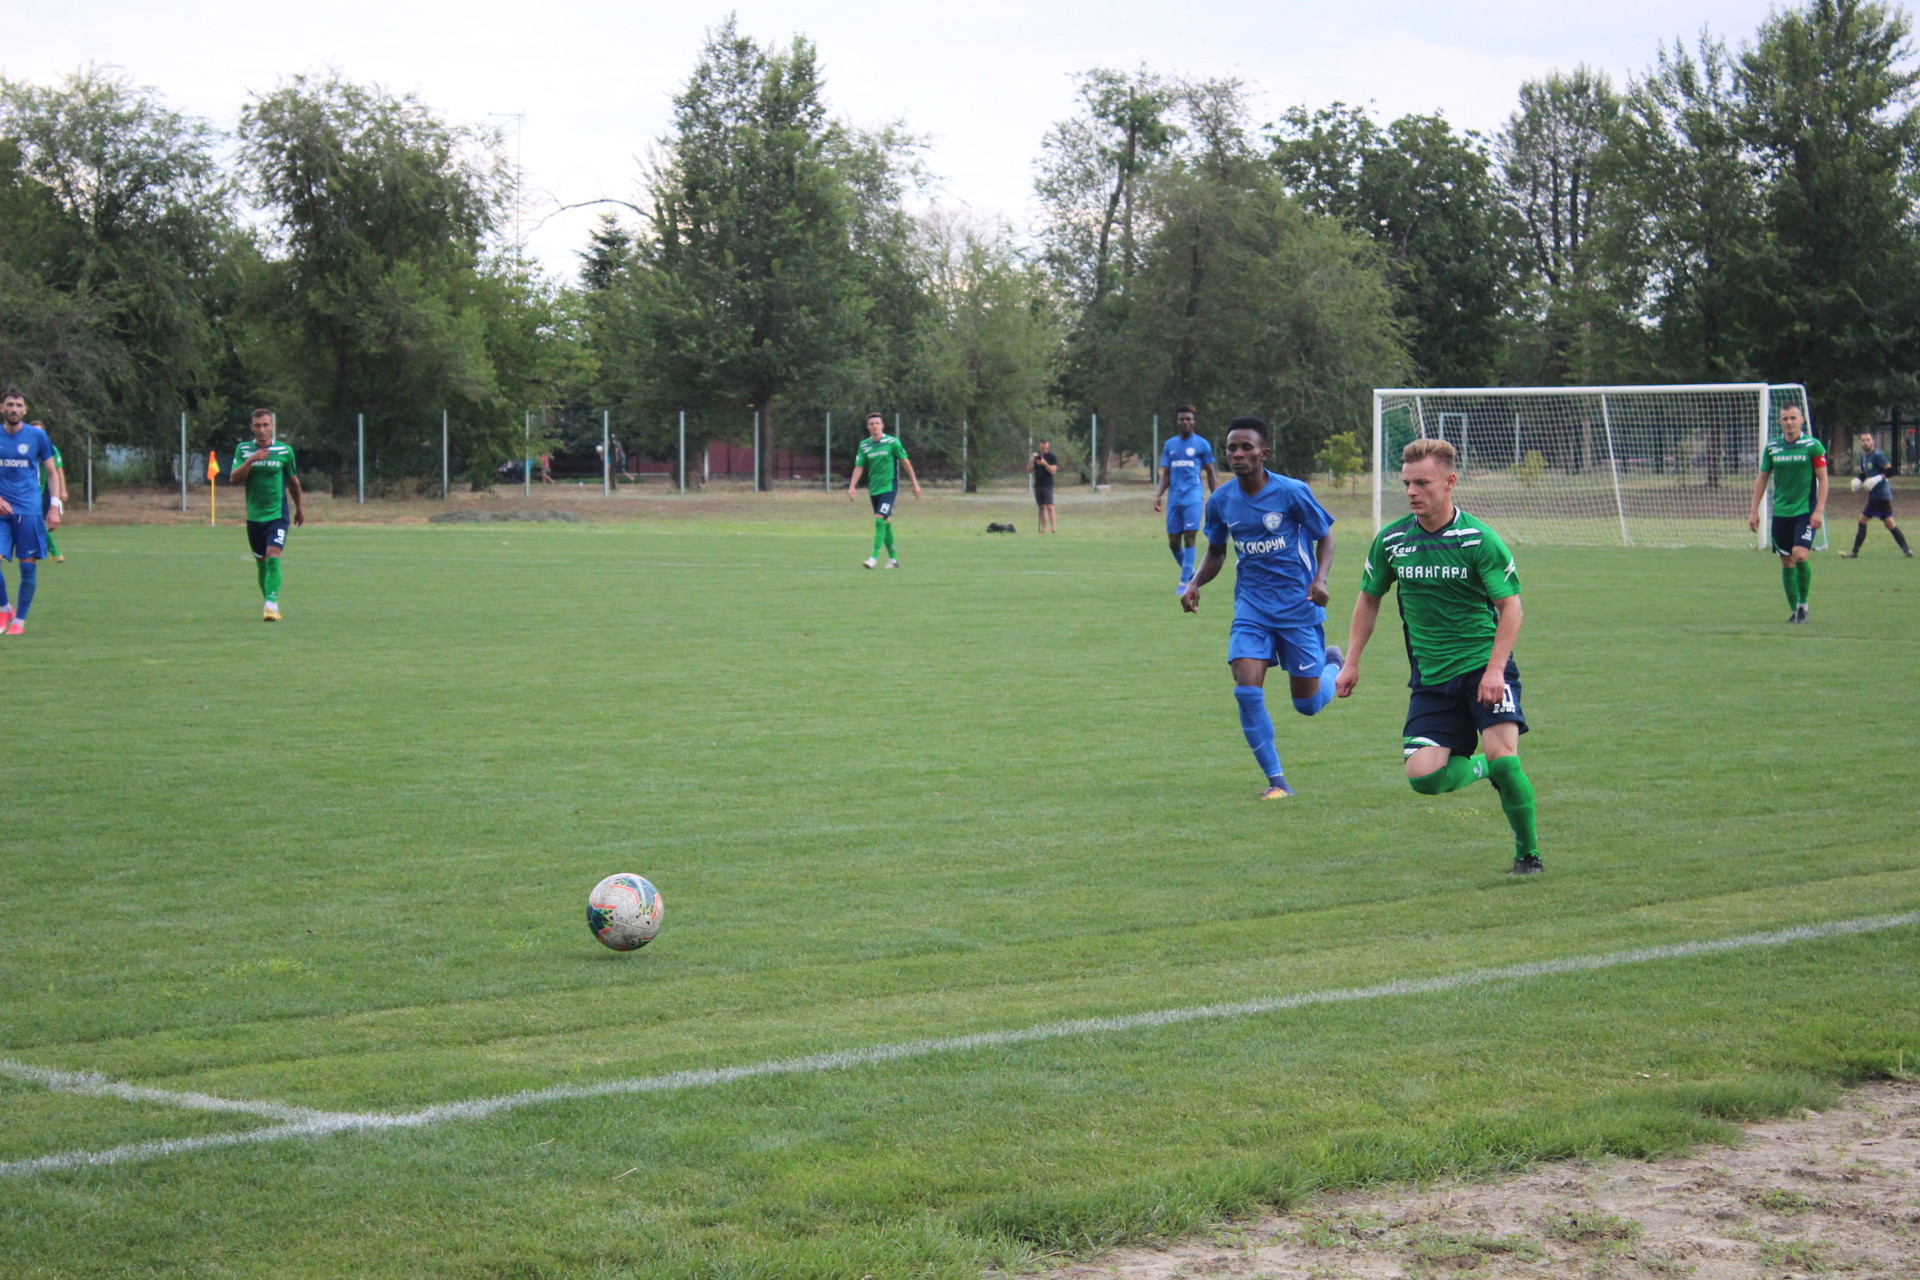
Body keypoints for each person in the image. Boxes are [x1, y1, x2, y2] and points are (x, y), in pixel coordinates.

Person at [1334, 437, 1540, 874]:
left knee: (1507, 755)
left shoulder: (1478, 540)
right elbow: (1369, 599)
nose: (1411, 492)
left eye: (1422, 483)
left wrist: (1496, 670)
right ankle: (1488, 766)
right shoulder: (1392, 541)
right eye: (1407, 483)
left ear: (1449, 482)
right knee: (1425, 777)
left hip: (1484, 669)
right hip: (1430, 679)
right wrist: (1352, 660)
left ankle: (1528, 854)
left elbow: (1511, 607)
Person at [1180, 416, 1341, 800]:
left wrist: (1320, 580)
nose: (1237, 454)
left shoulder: (1292, 492)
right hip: (1252, 607)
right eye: (1232, 448)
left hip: (1298, 608)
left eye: (1246, 447)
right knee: (1246, 689)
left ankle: (1333, 668)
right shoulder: (1220, 501)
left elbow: (1326, 537)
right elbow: (1217, 552)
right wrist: (1194, 582)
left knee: (1307, 705)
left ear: (1263, 453)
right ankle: (1277, 781)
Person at [1747, 404, 1827, 623]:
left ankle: (1803, 606)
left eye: (1793, 418)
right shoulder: (1773, 447)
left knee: (1800, 555)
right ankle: (1794, 612)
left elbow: (1823, 479)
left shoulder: (1813, 446)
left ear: (1801, 420)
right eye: (1785, 419)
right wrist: (1754, 510)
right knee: (1786, 561)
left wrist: (1819, 510)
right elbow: (1762, 477)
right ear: (1780, 422)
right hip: (1781, 512)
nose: (1789, 422)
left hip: (1805, 511)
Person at [229, 408, 305, 621]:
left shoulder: (284, 451)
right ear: (251, 427)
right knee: (261, 562)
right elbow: (234, 478)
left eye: (265, 425)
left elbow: (293, 481)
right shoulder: (243, 450)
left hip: (277, 515)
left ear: (272, 426)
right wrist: (251, 460)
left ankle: (270, 604)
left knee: (273, 557)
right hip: (254, 516)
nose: (262, 430)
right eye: (257, 426)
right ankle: (270, 604)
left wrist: (299, 508)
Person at [0, 388, 60, 635]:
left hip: (30, 510)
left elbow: (52, 472)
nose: (14, 409)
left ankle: (19, 622)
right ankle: (4, 608)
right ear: (2, 408)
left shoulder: (37, 436)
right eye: (10, 404)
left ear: (25, 410)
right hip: (2, 512)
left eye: (19, 405)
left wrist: (54, 506)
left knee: (27, 566)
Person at [1154, 405, 1218, 592]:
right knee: (1173, 542)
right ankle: (1191, 573)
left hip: (1193, 497)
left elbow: (1210, 472)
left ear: (1194, 422)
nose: (1185, 422)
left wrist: (1216, 496)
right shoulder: (1170, 445)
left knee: (1189, 538)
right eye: (1182, 419)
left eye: (1188, 419)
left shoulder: (1202, 444)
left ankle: (1184, 583)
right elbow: (1166, 473)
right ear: (1177, 422)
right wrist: (1158, 495)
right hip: (1174, 498)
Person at [847, 412, 920, 568]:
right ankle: (893, 559)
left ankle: (873, 558)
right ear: (867, 427)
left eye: (877, 423)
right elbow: (859, 467)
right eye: (871, 424)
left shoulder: (892, 442)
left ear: (882, 425)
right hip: (874, 489)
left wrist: (915, 483)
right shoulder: (864, 445)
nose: (875, 426)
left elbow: (905, 462)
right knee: (885, 522)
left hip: (889, 487)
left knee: (879, 518)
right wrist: (852, 486)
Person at [1838, 431, 1911, 559]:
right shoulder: (1864, 458)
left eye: (1868, 440)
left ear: (1873, 442)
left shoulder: (1877, 455)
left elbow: (1890, 471)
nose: (1865, 442)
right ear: (1860, 442)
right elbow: (1863, 474)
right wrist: (1857, 481)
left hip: (1881, 495)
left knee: (1862, 519)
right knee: (1889, 523)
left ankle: (1854, 552)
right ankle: (1907, 550)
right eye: (1863, 440)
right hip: (1876, 496)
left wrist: (1877, 478)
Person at [40, 437, 67, 563]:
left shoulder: (51, 449)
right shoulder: (26, 446)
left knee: (38, 523)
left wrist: (62, 490)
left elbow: (57, 471)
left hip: (45, 491)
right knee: (37, 523)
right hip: (29, 492)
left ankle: (55, 552)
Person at [1028, 439, 1059, 532]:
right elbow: (1029, 470)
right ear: (1039, 447)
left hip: (1047, 484)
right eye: (1042, 447)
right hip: (1038, 484)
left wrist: (1044, 463)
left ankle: (1053, 528)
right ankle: (1044, 527)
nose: (1044, 449)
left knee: (1050, 506)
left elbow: (1053, 471)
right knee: (1041, 507)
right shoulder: (1036, 457)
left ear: (1048, 447)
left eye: (1045, 448)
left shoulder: (1052, 457)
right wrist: (1031, 460)